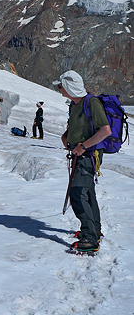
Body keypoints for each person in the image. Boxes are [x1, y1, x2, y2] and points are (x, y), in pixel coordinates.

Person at [55, 70, 111, 252]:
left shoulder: (91, 103)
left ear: (69, 87)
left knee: (78, 193)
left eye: (61, 86)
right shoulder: (74, 104)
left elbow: (105, 131)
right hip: (80, 154)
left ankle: (89, 238)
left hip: (88, 155)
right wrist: (66, 137)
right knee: (87, 192)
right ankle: (94, 230)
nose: (59, 89)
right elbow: (76, 127)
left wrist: (83, 147)